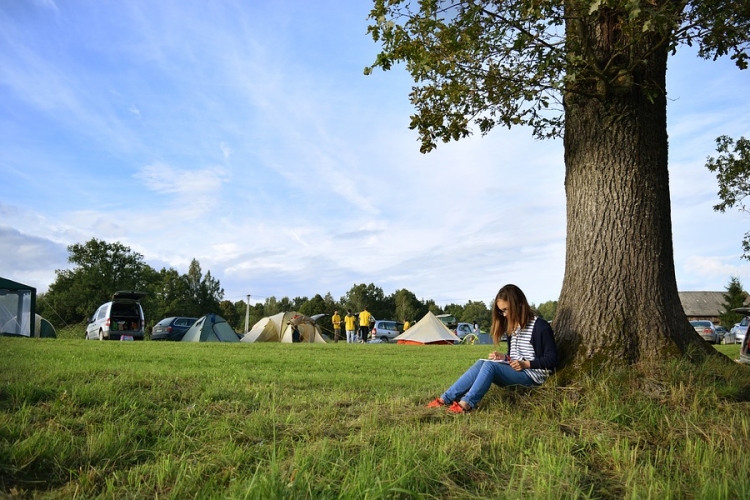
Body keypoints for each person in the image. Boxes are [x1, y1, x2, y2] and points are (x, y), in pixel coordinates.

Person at [426, 284, 558, 413]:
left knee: (490, 366)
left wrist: (526, 364)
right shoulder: (512, 327)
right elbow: (516, 357)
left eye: (505, 310)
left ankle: (466, 404)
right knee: (481, 363)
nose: (504, 315)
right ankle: (445, 399)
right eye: (501, 311)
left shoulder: (540, 326)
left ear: (518, 304)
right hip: (518, 372)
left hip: (533, 377)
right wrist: (504, 358)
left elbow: (552, 359)